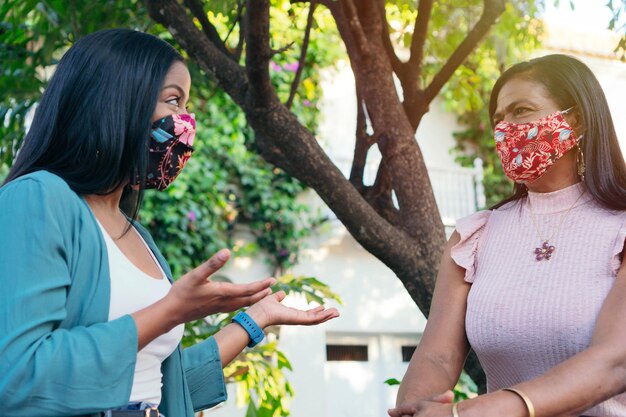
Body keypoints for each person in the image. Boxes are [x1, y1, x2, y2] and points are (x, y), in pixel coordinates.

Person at [0, 29, 339, 417]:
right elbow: (17, 376)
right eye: (173, 100)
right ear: (116, 99)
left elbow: (162, 387)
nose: (184, 123)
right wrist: (172, 309)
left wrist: (253, 321)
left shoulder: (136, 234)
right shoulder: (37, 199)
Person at [389, 54, 626, 417]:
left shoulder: (621, 227)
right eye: (499, 118)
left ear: (574, 120)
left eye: (521, 110)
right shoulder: (475, 236)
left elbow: (615, 361)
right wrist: (413, 409)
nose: (505, 128)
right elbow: (437, 355)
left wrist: (467, 414)